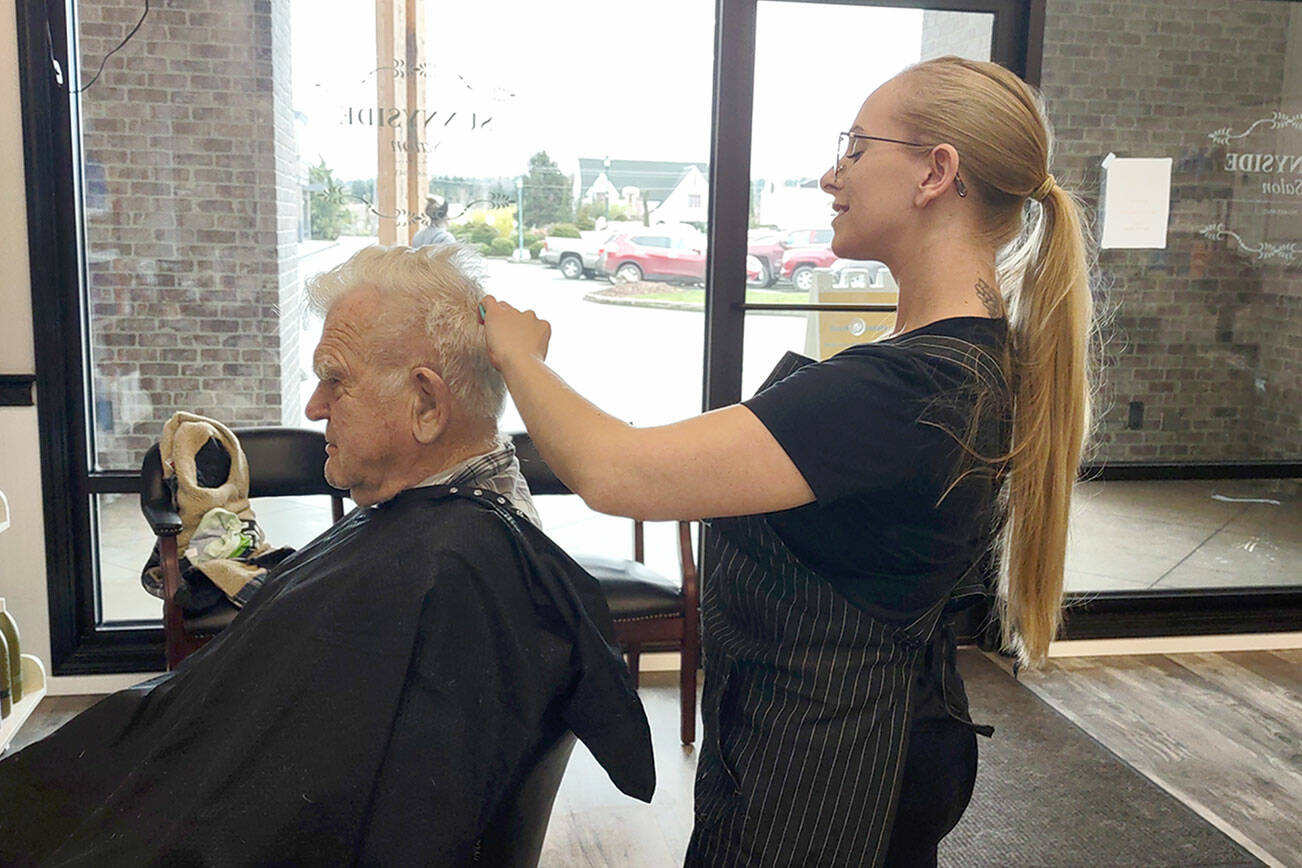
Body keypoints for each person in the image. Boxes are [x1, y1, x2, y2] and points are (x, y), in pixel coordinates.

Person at [481, 55, 1093, 867]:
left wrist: (518, 355)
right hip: (836, 746)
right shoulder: (960, 363)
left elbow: (616, 472)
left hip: (829, 779)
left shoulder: (906, 389)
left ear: (935, 172)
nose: (830, 175)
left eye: (856, 148)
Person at [0, 244, 654, 866]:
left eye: (335, 380)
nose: (314, 407)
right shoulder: (437, 537)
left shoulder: (448, 573)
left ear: (426, 403)